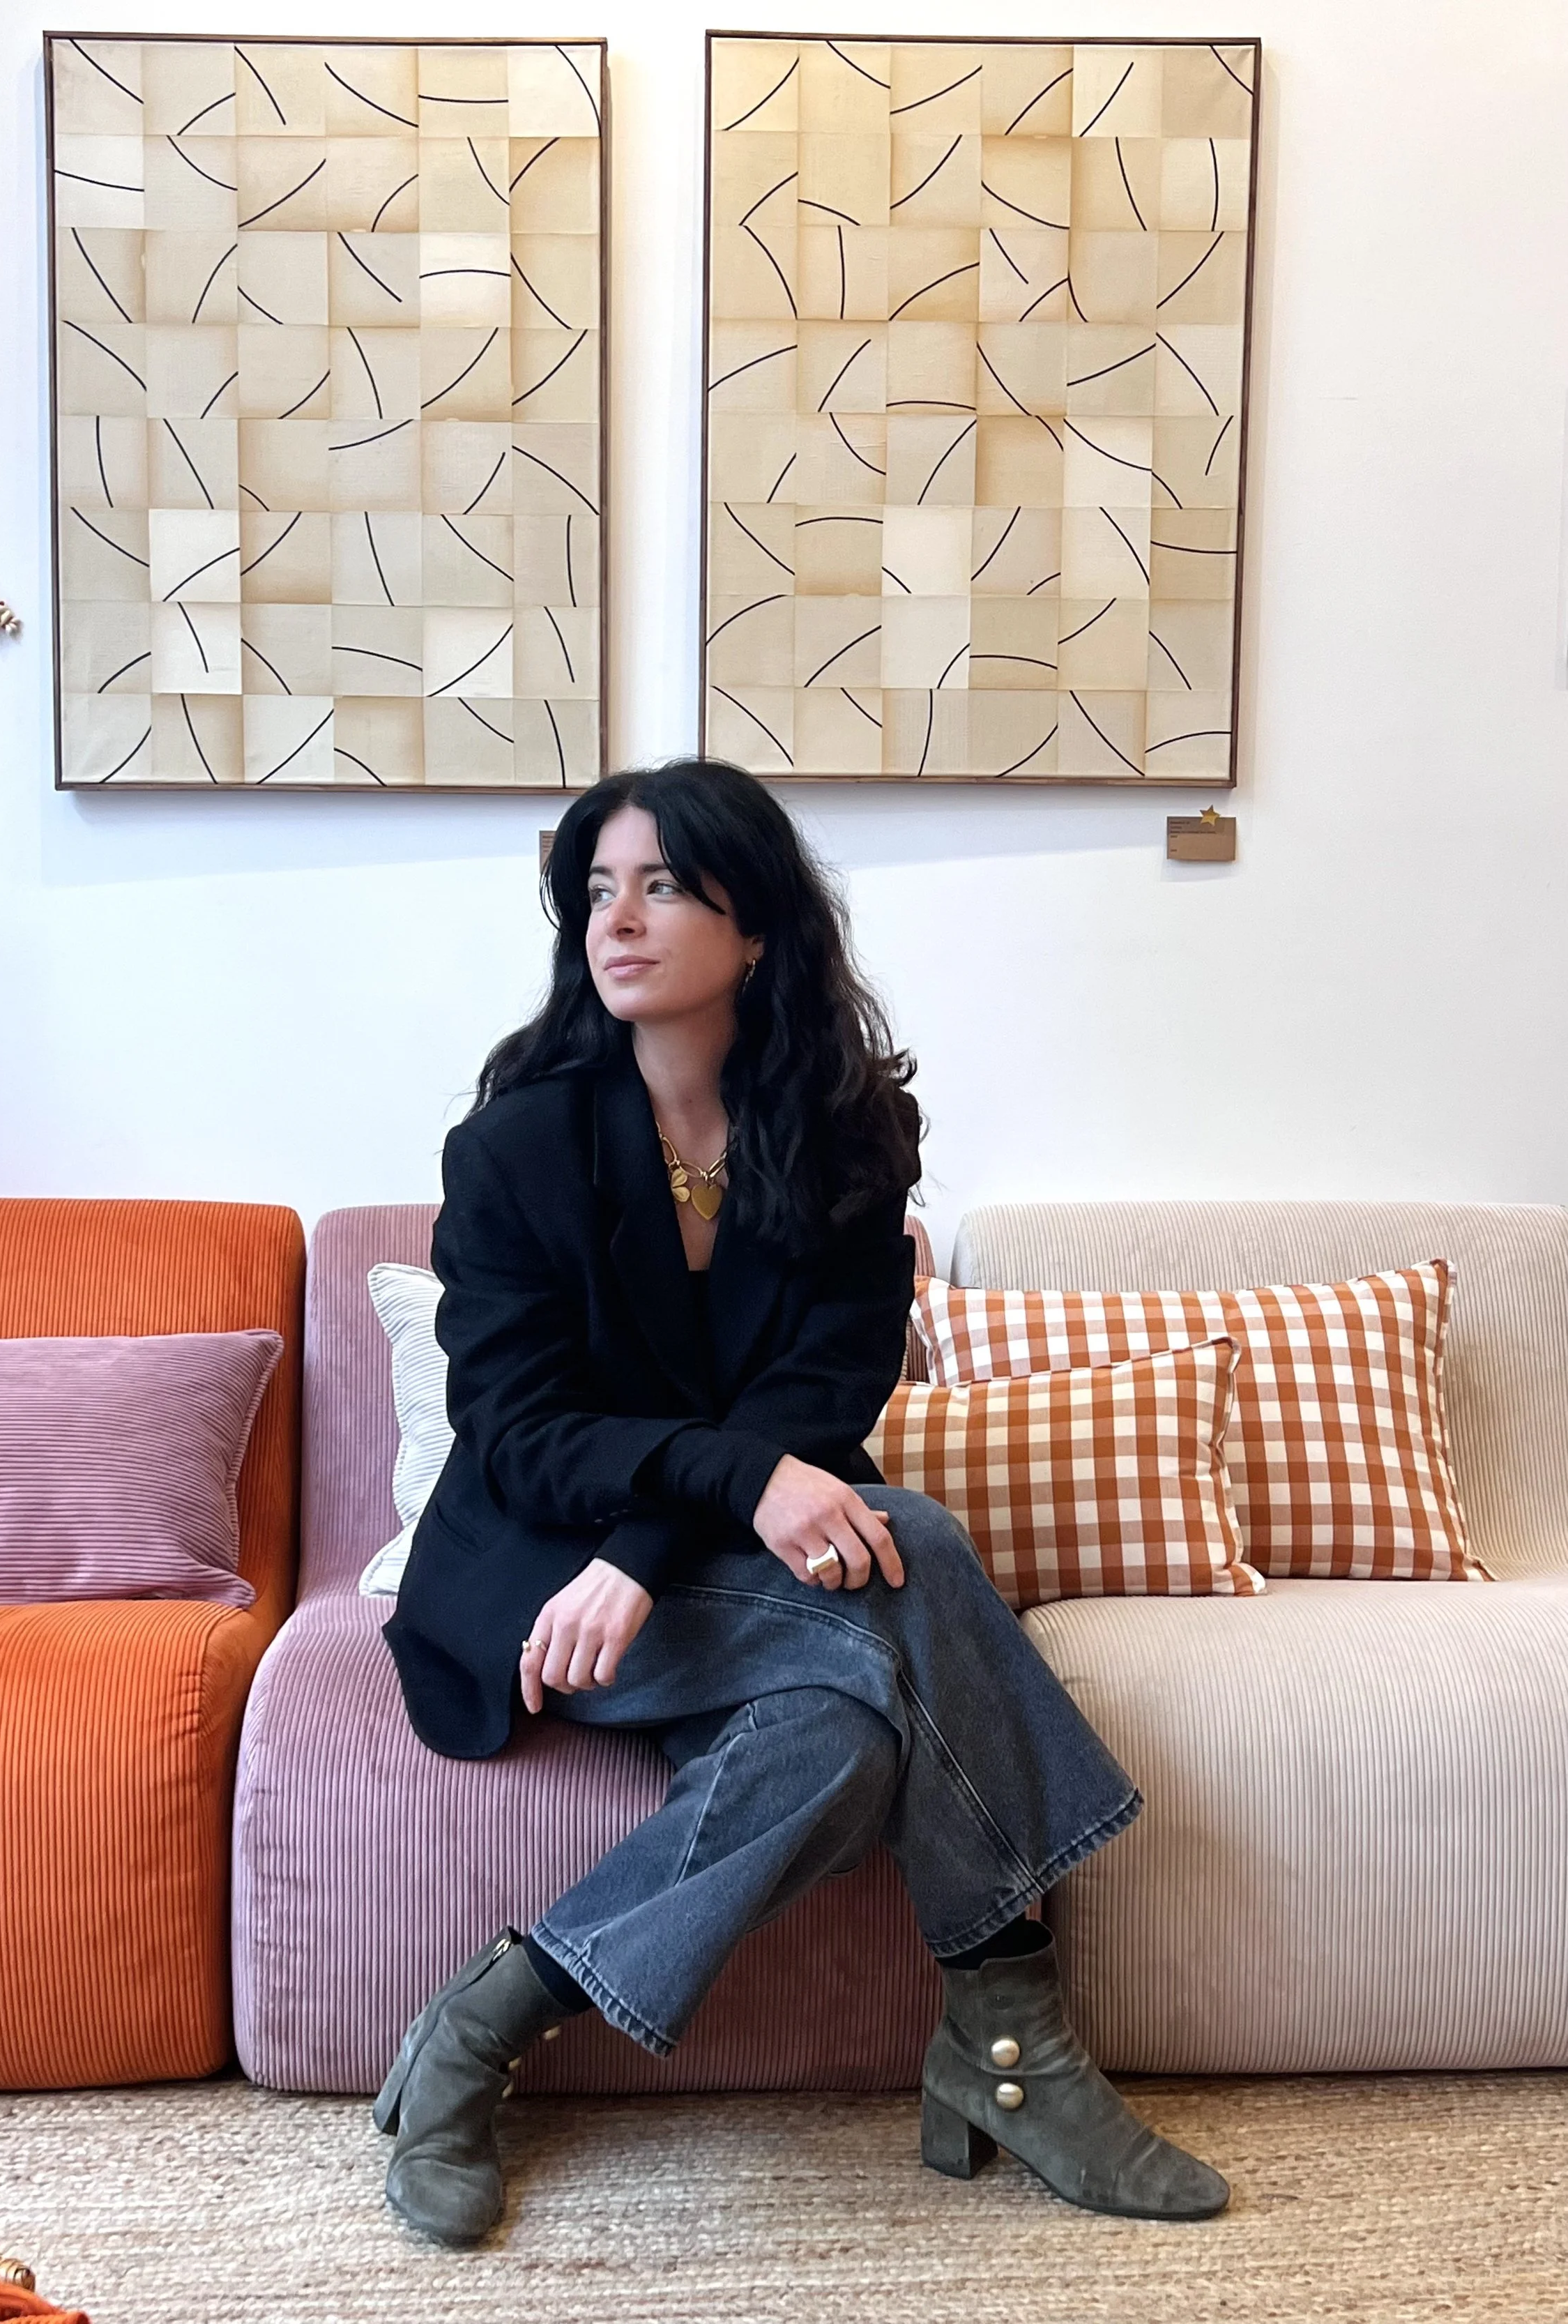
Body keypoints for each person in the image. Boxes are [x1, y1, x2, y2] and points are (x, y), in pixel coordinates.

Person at [378, 758, 1228, 2245]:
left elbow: (820, 1400)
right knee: (929, 1547)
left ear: (753, 925)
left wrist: (718, 1503)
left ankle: (483, 2018)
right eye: (596, 889)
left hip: (714, 1563)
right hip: (548, 1582)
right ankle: (1009, 2035)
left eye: (659, 885)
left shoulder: (842, 1135)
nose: (615, 920)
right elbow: (517, 1432)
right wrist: (678, 1521)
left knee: (837, 1733)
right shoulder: (517, 1147)